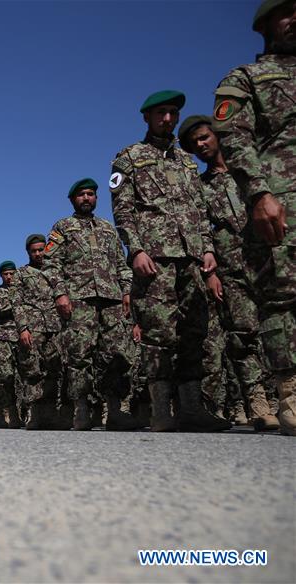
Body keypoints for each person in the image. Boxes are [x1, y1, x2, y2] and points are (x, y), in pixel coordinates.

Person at [110, 90, 230, 432]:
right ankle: (161, 410)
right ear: (146, 118)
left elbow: (199, 211)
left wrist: (207, 249)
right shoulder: (129, 158)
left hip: (192, 258)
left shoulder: (187, 163)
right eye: (161, 113)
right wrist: (136, 250)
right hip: (155, 258)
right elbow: (123, 210)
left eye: (172, 113)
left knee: (195, 330)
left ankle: (191, 407)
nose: (168, 119)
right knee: (158, 333)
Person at [212, 0, 295, 436]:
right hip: (279, 204)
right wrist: (261, 193)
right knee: (282, 299)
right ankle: (290, 394)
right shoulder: (246, 79)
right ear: (265, 24)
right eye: (288, 11)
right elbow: (235, 138)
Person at [178, 115, 279, 431]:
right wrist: (210, 273)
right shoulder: (201, 187)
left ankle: (285, 396)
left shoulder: (250, 174)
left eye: (205, 137)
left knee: (280, 325)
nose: (201, 145)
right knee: (242, 333)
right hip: (229, 264)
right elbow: (199, 230)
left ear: (217, 135)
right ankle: (259, 402)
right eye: (194, 143)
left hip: (267, 255)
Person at [42, 178, 140, 431]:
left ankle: (114, 410)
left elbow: (121, 263)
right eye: (81, 195)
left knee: (115, 354)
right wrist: (60, 294)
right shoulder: (63, 227)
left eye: (91, 194)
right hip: (79, 298)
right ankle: (82, 408)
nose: (87, 198)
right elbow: (52, 265)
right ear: (73, 199)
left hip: (111, 298)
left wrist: (127, 291)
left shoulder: (108, 228)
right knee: (80, 355)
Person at [13, 235, 70, 430]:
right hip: (33, 327)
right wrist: (23, 328)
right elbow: (17, 304)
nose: (38, 253)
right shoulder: (21, 274)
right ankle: (35, 413)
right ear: (28, 253)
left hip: (55, 326)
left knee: (55, 369)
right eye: (33, 251)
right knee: (33, 370)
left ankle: (52, 413)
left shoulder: (55, 271)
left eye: (40, 249)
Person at [0, 261, 23, 428]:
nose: (9, 277)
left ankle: (31, 410)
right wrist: (19, 302)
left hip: (23, 334)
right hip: (3, 337)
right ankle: (12, 412)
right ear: (1, 276)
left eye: (11, 273)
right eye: (6, 274)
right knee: (6, 376)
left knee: (27, 373)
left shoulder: (23, 287)